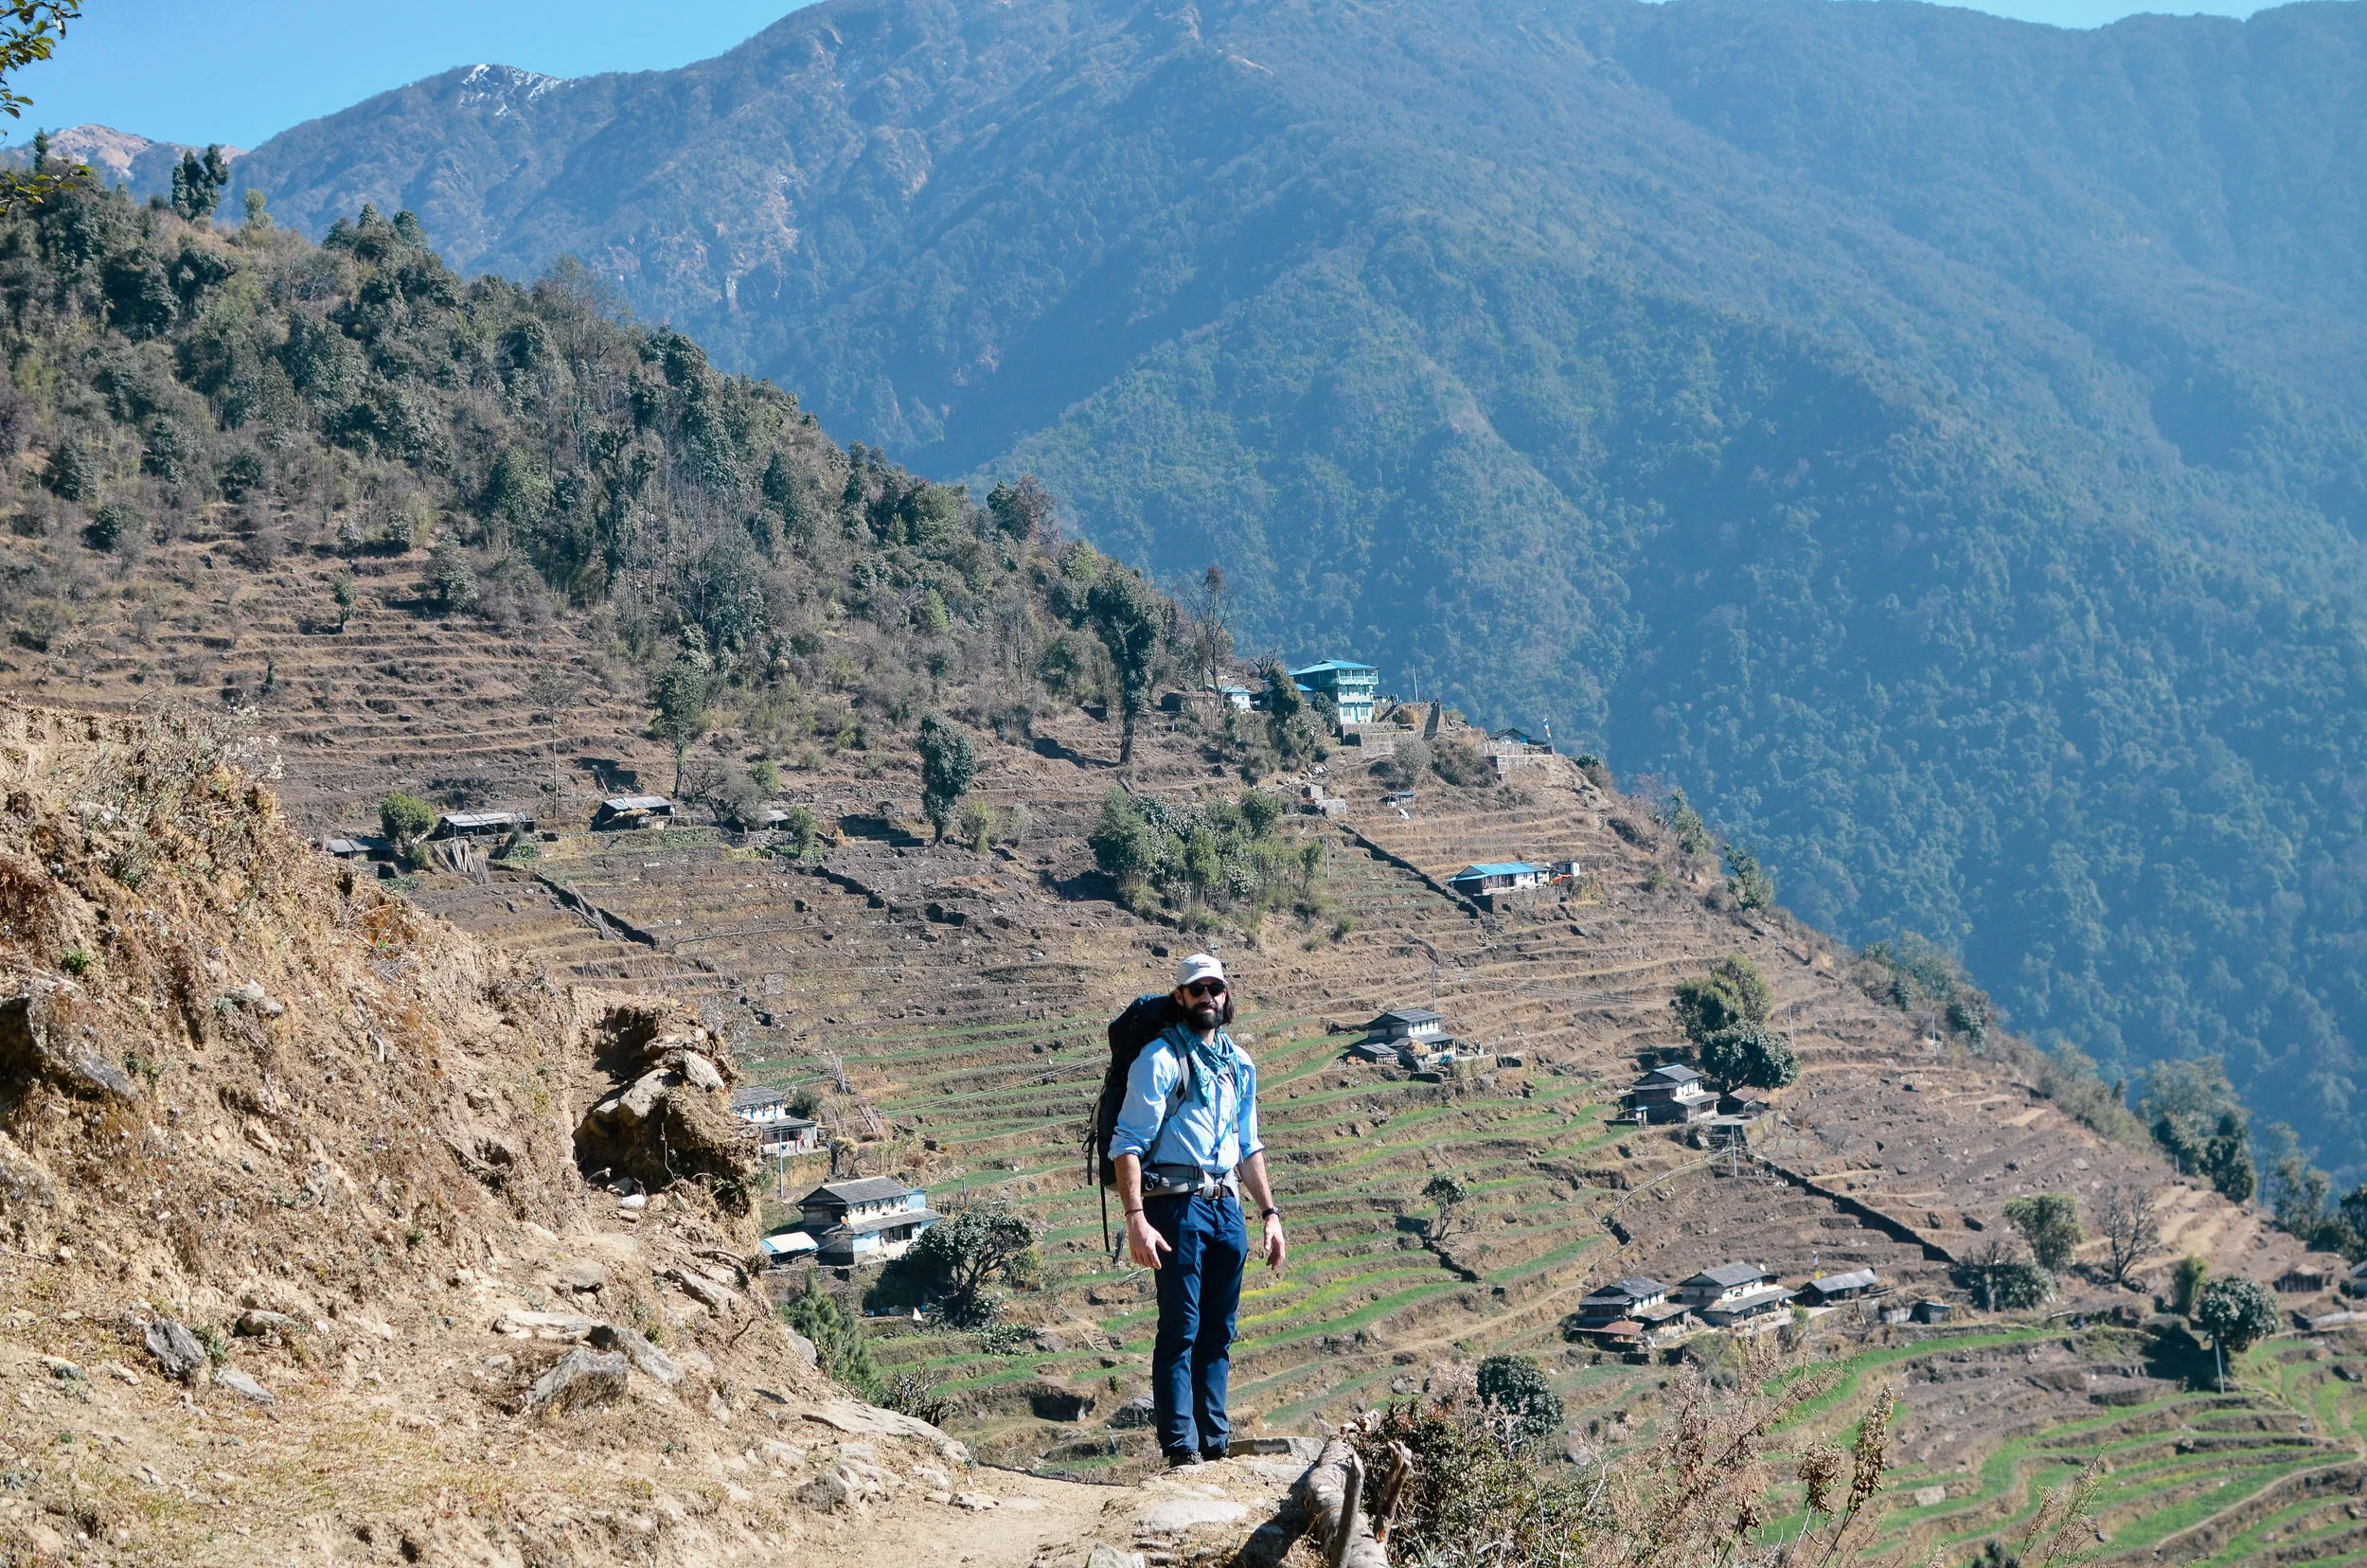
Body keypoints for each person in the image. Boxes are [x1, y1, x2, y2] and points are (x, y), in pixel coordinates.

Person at [1108, 953, 1286, 1467]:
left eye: (1216, 989)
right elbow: (1127, 1143)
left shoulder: (1239, 1064)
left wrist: (1269, 1213)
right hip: (1177, 1207)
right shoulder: (1160, 1060)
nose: (1208, 997)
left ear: (1226, 997)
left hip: (1227, 1205)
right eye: (1197, 989)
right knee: (1181, 1329)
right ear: (1180, 997)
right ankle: (1182, 1451)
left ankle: (1216, 1442)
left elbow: (1249, 1146)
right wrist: (1136, 1218)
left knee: (1219, 1332)